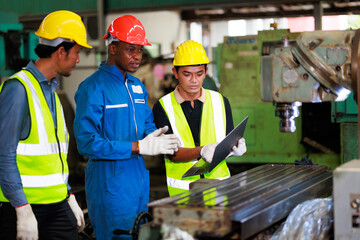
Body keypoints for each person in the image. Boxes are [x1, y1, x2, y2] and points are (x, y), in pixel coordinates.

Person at [73, 15, 179, 239]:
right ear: (113, 48)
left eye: (140, 50)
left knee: (138, 233)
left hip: (138, 181)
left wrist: (157, 137)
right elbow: (87, 143)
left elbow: (146, 123)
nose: (137, 57)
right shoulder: (93, 88)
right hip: (109, 183)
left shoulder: (137, 87)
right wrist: (138, 147)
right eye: (131, 49)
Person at [0, 10, 92, 239]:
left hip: (56, 204)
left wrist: (68, 193)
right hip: (25, 208)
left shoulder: (52, 91)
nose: (78, 60)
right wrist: (21, 208)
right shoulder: (18, 90)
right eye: (77, 52)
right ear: (61, 51)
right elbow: (4, 153)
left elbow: (53, 157)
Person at [152, 40, 247, 197]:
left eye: (199, 74)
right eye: (187, 74)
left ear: (206, 71)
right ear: (175, 73)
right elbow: (170, 153)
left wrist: (234, 149)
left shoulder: (220, 101)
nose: (194, 80)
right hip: (182, 193)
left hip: (220, 189)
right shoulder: (163, 107)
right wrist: (201, 151)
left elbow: (226, 142)